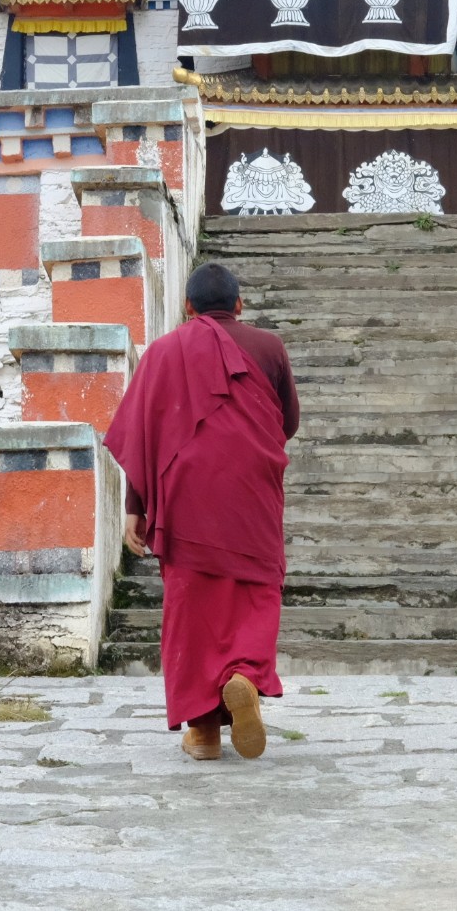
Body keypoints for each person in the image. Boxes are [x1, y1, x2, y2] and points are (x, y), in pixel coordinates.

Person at [103, 261, 300, 761]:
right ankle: (244, 675)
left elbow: (141, 437)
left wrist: (135, 508)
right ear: (239, 305)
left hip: (185, 501)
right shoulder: (269, 347)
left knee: (192, 611)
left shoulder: (163, 354)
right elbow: (288, 422)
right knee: (256, 594)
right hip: (251, 499)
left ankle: (205, 733)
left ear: (187, 307)